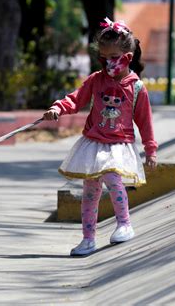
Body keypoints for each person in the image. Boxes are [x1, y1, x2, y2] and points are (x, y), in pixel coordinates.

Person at [43, 17, 158, 256]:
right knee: (90, 192)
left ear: (127, 56)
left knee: (112, 179)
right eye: (104, 58)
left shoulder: (137, 88)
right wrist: (58, 108)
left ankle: (125, 224)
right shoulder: (96, 80)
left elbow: (145, 122)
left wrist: (150, 149)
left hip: (119, 145)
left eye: (114, 57)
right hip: (94, 143)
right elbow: (76, 99)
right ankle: (88, 238)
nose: (108, 63)